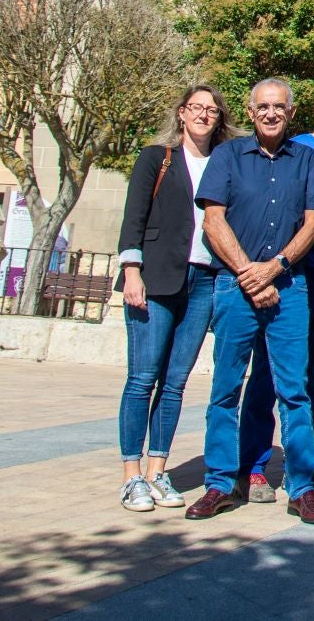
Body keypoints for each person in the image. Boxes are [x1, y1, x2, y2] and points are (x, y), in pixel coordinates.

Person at [184, 78, 314, 524]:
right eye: (263, 107)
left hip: (290, 289)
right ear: (251, 113)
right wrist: (251, 274)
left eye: (279, 107)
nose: (271, 114)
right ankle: (220, 482)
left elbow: (313, 224)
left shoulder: (306, 159)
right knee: (225, 389)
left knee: (294, 390)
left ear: (291, 114)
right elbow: (213, 221)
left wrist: (275, 268)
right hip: (235, 287)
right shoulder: (228, 156)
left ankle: (303, 487)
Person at [113, 85, 237, 512]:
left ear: (219, 118)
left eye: (212, 110)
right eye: (196, 108)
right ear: (182, 113)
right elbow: (134, 216)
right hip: (156, 277)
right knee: (142, 379)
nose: (204, 115)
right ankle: (132, 476)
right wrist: (132, 271)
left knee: (175, 383)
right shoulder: (157, 157)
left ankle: (158, 470)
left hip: (203, 280)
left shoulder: (226, 162)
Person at [241, 77, 314, 505]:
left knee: (312, 380)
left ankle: (304, 470)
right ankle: (253, 466)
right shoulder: (295, 150)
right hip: (285, 277)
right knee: (266, 376)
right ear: (313, 106)